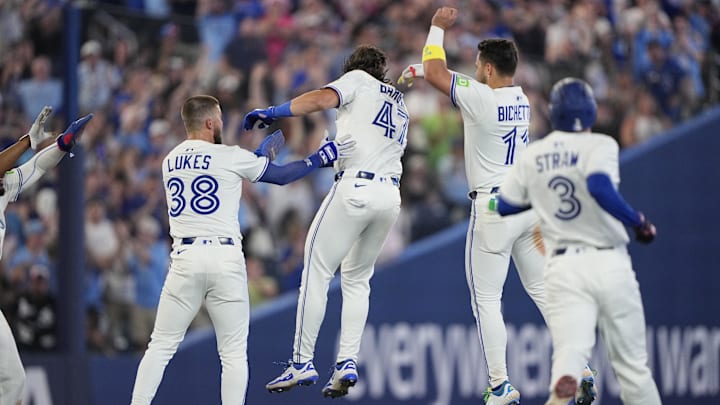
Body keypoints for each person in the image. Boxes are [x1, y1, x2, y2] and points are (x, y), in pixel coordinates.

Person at [398, 7, 596, 405]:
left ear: (488, 69)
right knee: (542, 289)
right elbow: (448, 79)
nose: (473, 70)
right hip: (526, 205)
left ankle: (501, 384)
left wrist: (436, 29)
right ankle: (581, 365)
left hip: (493, 208)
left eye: (477, 65)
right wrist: (420, 71)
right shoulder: (521, 98)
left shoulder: (481, 99)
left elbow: (442, 75)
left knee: (487, 300)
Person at [129, 95, 354, 405]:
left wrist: (259, 157)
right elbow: (281, 176)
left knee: (160, 347)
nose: (221, 123)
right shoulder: (230, 156)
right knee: (233, 354)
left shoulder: (170, 160)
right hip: (225, 259)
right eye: (219, 118)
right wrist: (318, 158)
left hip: (185, 259)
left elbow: (219, 172)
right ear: (209, 123)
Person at [242, 44, 408, 398]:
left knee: (316, 271)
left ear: (354, 67)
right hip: (390, 196)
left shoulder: (358, 80)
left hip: (356, 187)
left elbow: (319, 99)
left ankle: (302, 362)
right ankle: (347, 360)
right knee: (358, 280)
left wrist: (273, 111)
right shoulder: (399, 102)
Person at [496, 78, 661, 405]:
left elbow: (505, 205)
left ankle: (566, 379)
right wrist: (638, 221)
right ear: (591, 112)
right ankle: (570, 376)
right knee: (632, 368)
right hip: (608, 260)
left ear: (553, 112)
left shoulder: (534, 154)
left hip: (563, 266)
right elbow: (599, 186)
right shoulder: (601, 145)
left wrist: (540, 199)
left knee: (570, 351)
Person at [0, 107, 93, 405]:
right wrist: (28, 140)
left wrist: (63, 145)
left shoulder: (2, 188)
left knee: (14, 380)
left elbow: (37, 168)